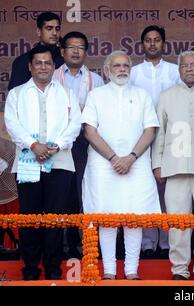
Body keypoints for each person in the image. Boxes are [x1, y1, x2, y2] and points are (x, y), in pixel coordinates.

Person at [82, 50, 160, 280]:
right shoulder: (96, 95)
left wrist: (131, 157)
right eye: (116, 66)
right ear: (106, 70)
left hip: (136, 164)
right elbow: (89, 131)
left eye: (126, 65)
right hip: (103, 166)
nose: (122, 69)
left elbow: (150, 129)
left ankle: (131, 270)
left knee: (133, 218)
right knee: (106, 217)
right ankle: (108, 271)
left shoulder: (142, 95)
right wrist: (114, 158)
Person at [4, 45, 81, 280]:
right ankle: (30, 270)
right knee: (30, 218)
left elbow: (75, 124)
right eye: (38, 63)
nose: (43, 67)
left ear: (54, 66)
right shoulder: (17, 93)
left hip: (60, 163)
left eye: (48, 63)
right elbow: (12, 124)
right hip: (28, 162)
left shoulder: (67, 93)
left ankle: (53, 269)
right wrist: (33, 145)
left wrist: (56, 145)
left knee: (55, 218)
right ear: (30, 66)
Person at [152, 51, 194, 280]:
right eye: (184, 66)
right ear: (179, 70)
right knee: (178, 224)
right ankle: (179, 270)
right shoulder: (167, 95)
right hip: (174, 168)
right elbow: (160, 132)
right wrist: (157, 164)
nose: (189, 69)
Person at [53, 31, 104, 260]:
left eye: (80, 47)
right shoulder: (51, 76)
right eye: (71, 47)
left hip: (85, 143)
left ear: (86, 52)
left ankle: (84, 244)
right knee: (60, 193)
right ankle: (61, 244)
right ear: (62, 51)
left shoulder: (96, 80)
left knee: (83, 192)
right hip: (58, 144)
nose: (75, 51)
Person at [130, 25, 180, 259]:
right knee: (146, 188)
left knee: (169, 189)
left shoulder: (174, 71)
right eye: (148, 40)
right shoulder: (134, 72)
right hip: (141, 136)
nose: (152, 44)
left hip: (171, 137)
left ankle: (169, 242)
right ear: (142, 44)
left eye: (157, 40)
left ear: (163, 43)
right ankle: (148, 242)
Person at [8, 12, 64, 90]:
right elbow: (15, 95)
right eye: (49, 28)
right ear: (39, 31)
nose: (54, 33)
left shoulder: (64, 60)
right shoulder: (23, 61)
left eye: (57, 29)